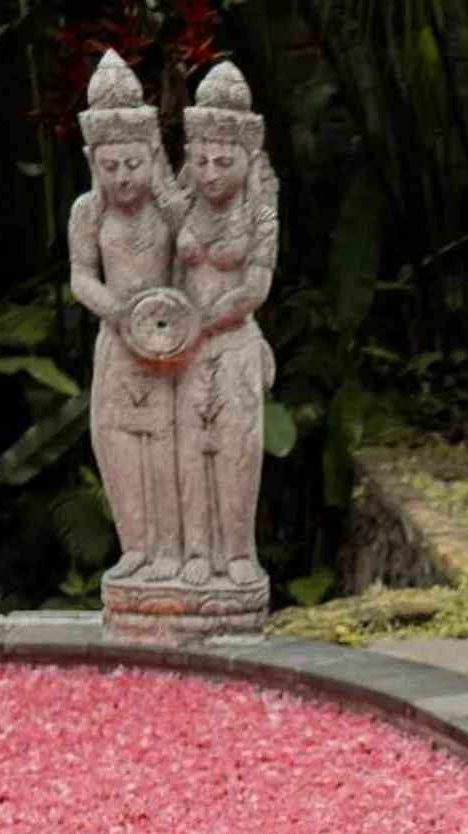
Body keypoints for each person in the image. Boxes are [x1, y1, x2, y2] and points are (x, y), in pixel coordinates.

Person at [68, 51, 187, 582]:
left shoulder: (169, 208)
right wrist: (117, 311)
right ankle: (135, 546)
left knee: (165, 447)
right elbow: (80, 277)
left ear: (151, 154)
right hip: (117, 344)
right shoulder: (87, 212)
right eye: (110, 166)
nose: (122, 178)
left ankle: (171, 549)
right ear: (95, 162)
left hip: (167, 345)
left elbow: (192, 264)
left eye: (132, 164)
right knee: (115, 444)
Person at [173, 62, 278, 592]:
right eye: (201, 159)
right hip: (186, 353)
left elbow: (255, 287)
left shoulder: (259, 213)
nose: (211, 171)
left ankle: (237, 551)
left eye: (224, 159)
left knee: (237, 451)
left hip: (233, 343)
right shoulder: (179, 210)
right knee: (191, 452)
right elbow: (165, 283)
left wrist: (207, 321)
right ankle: (196, 549)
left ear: (247, 156)